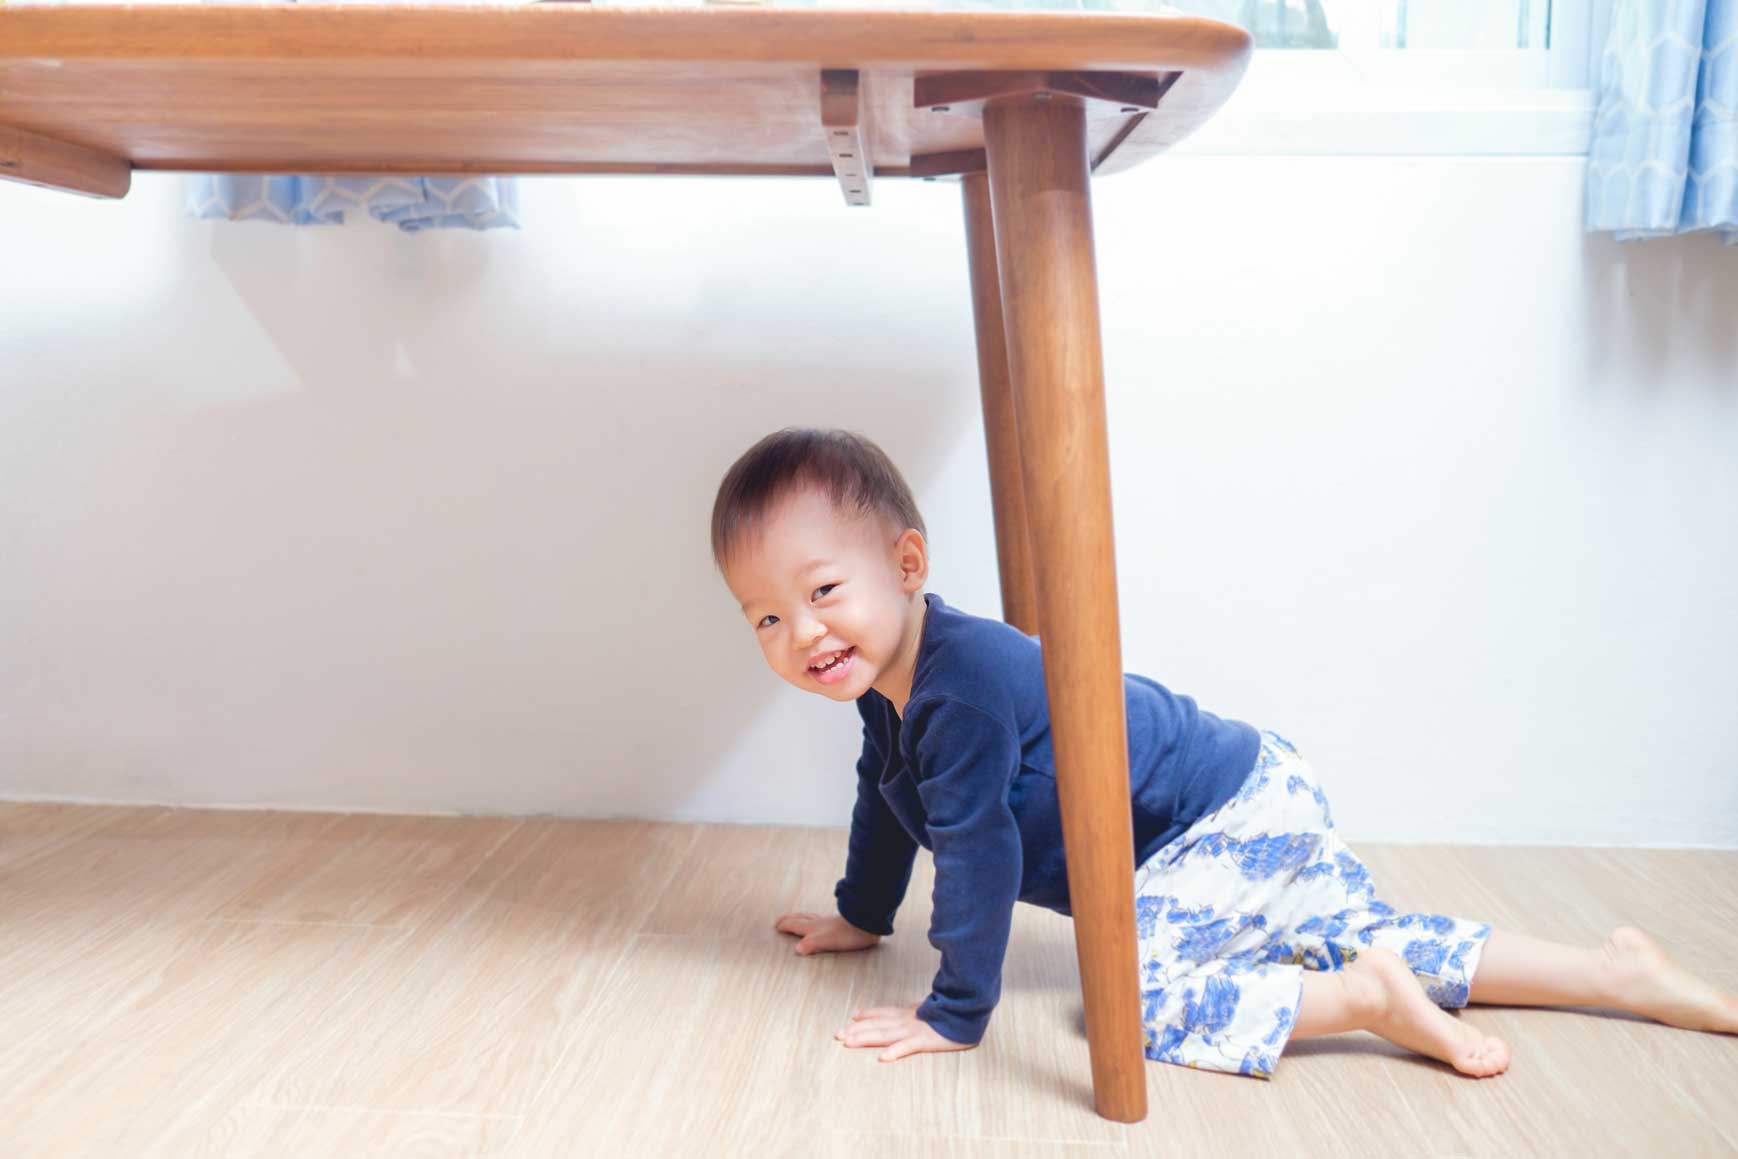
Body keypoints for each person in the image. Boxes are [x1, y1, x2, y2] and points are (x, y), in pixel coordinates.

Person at [711, 426, 1738, 1075]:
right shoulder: (894, 693)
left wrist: (955, 1011)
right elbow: (882, 799)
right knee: (1361, 924)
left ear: (906, 564)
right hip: (1251, 792)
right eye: (764, 618)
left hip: (1208, 818)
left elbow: (978, 856)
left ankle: (1361, 1000)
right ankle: (1612, 973)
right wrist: (859, 911)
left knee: (1135, 998)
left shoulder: (961, 687)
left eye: (822, 592)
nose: (801, 634)